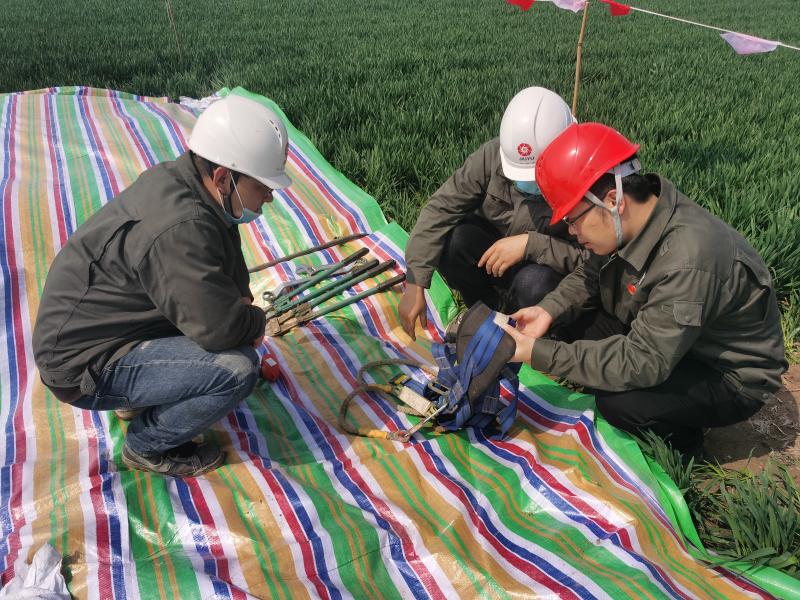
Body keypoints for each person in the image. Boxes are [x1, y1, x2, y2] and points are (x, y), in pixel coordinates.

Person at [32, 94, 292, 476]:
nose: (269, 196)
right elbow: (220, 329)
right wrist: (254, 322)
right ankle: (147, 445)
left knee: (214, 314)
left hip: (104, 330)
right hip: (81, 365)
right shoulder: (180, 227)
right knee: (237, 368)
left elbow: (225, 260)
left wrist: (241, 304)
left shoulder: (191, 185)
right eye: (263, 186)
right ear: (223, 177)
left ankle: (139, 394)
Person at [502, 122, 788, 455]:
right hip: (668, 335)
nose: (572, 232)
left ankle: (682, 445)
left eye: (573, 219)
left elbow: (643, 362)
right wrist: (547, 311)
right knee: (560, 312)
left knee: (621, 402)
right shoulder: (631, 220)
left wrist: (536, 353)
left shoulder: (687, 259)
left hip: (724, 374)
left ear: (613, 200)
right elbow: (589, 274)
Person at [399, 87, 587, 340]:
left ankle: (534, 333)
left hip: (546, 269)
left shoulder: (586, 178)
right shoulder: (492, 156)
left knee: (534, 284)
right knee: (455, 240)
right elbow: (441, 208)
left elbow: (593, 259)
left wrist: (531, 245)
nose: (528, 182)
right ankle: (486, 314)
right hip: (494, 259)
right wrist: (415, 281)